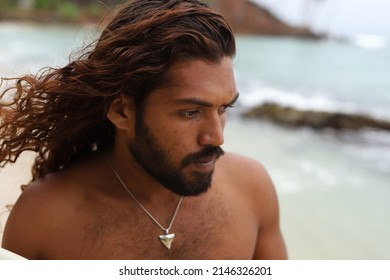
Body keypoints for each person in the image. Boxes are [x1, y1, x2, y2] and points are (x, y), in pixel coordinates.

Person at [0, 0, 287, 259]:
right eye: (190, 112)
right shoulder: (44, 218)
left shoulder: (252, 190)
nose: (216, 137)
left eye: (223, 108)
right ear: (122, 111)